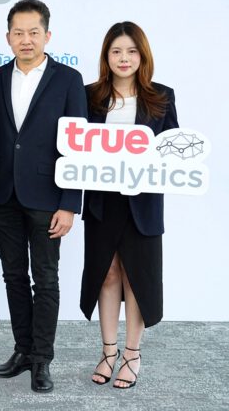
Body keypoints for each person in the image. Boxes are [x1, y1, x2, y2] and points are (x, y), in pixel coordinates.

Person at [0, 0, 87, 393]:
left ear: (47, 35)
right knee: (13, 276)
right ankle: (22, 350)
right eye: (19, 33)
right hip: (2, 195)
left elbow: (78, 144)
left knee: (45, 278)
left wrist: (69, 203)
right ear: (8, 37)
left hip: (48, 195)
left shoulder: (68, 79)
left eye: (34, 32)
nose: (26, 39)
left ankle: (42, 359)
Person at [80, 21, 178, 389]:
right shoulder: (90, 96)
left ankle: (132, 355)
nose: (124, 58)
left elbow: (174, 150)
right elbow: (75, 147)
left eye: (132, 51)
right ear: (106, 56)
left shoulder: (161, 96)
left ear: (143, 55)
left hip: (144, 204)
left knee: (136, 277)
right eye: (116, 51)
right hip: (102, 203)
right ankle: (108, 352)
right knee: (107, 273)